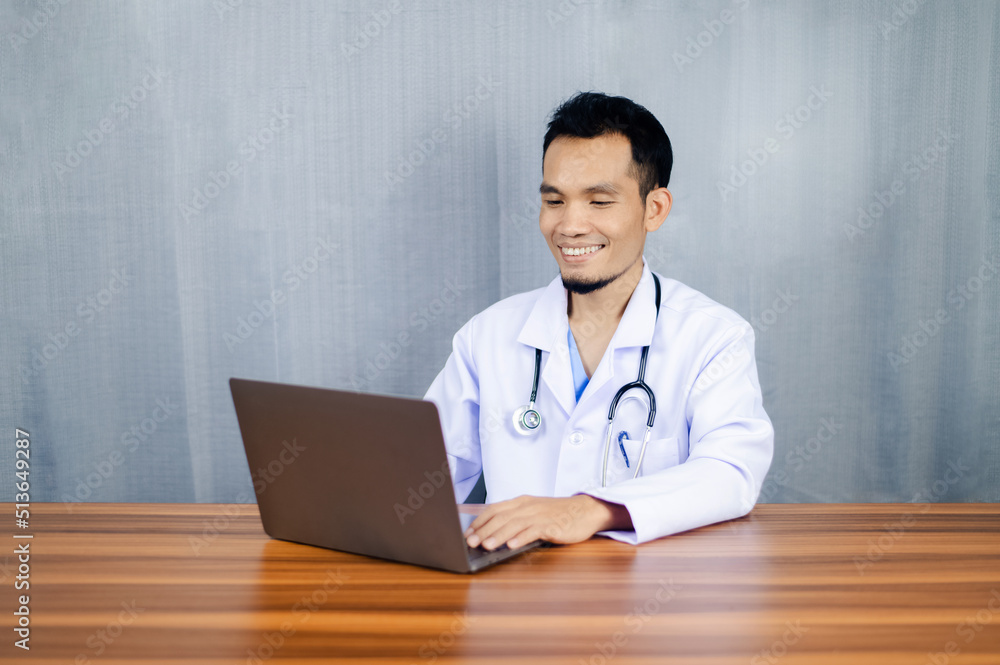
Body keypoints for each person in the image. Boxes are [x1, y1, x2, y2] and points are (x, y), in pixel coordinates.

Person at [424, 91, 773, 550]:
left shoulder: (712, 337)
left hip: (653, 600)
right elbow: (421, 482)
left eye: (599, 202)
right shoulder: (487, 337)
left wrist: (589, 508)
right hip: (517, 599)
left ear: (655, 209)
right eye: (554, 201)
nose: (569, 225)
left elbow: (731, 473)